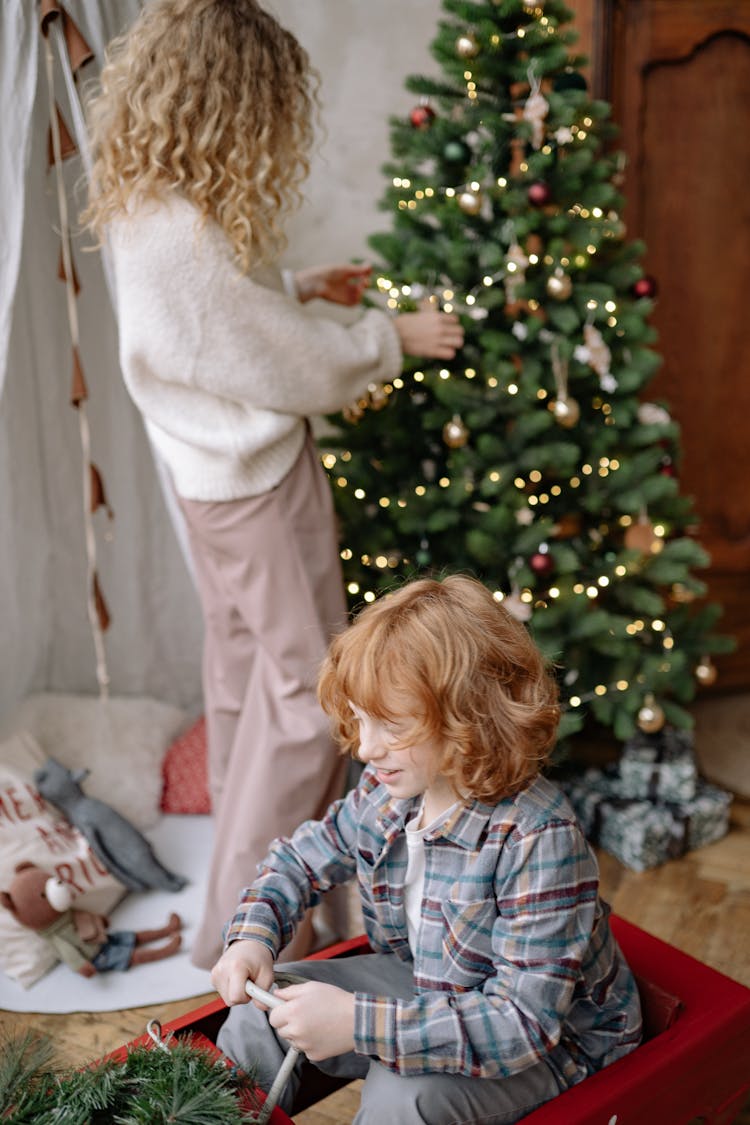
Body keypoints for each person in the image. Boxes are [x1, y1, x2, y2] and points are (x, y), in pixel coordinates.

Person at [82, 0, 464, 969]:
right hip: (255, 489)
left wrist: (297, 286)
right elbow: (273, 359)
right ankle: (247, 926)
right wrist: (391, 339)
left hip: (206, 488)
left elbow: (214, 320)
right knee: (309, 699)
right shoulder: (177, 232)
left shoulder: (148, 202)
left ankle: (240, 892)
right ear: (229, 104)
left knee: (245, 674)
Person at [211, 575, 643, 1124]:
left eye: (391, 726)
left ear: (468, 714)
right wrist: (252, 935)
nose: (365, 748)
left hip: (557, 1045)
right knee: (257, 1016)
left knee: (403, 1096)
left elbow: (524, 1023)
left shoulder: (538, 837)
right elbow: (297, 861)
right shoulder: (386, 790)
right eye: (360, 720)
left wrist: (357, 1023)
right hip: (430, 986)